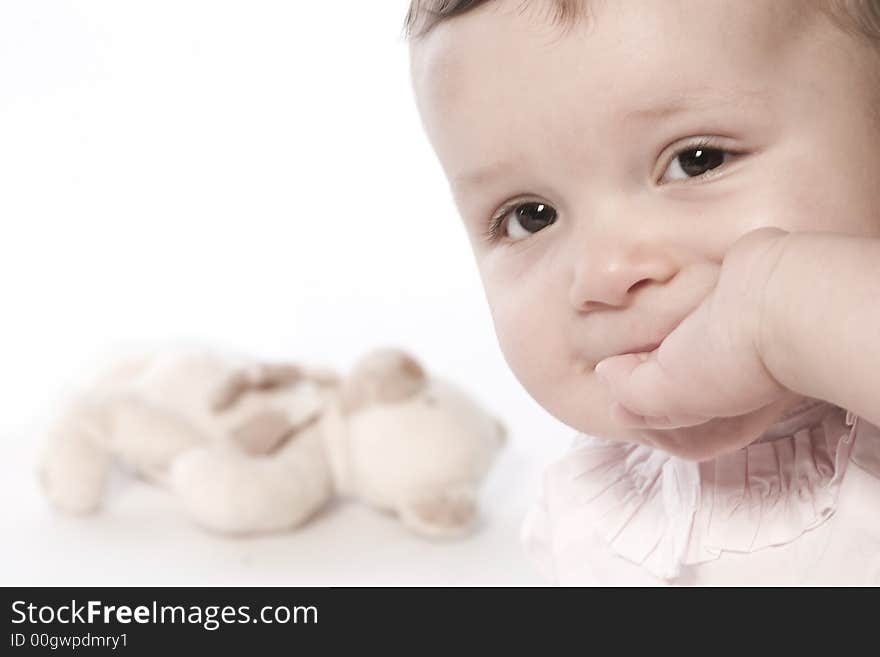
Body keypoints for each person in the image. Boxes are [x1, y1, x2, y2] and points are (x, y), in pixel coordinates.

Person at [405, 0, 880, 584]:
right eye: (531, 217)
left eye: (695, 160)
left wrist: (778, 308)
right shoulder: (586, 512)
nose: (605, 272)